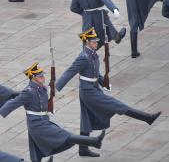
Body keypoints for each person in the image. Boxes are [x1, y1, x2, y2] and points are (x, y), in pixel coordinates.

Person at [56, 28, 161, 157]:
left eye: (96, 41)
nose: (96, 43)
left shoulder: (93, 54)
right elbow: (70, 71)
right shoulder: (83, 57)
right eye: (94, 42)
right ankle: (147, 117)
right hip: (88, 91)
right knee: (117, 105)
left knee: (86, 119)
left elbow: (95, 73)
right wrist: (56, 87)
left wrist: (103, 82)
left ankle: (83, 149)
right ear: (87, 42)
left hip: (92, 88)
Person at [0, 63, 105, 162]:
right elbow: (14, 102)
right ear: (33, 78)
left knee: (36, 149)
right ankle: (93, 141)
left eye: (42, 76)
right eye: (40, 77)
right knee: (65, 136)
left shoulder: (41, 88)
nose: (43, 78)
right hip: (37, 124)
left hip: (42, 121)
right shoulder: (29, 92)